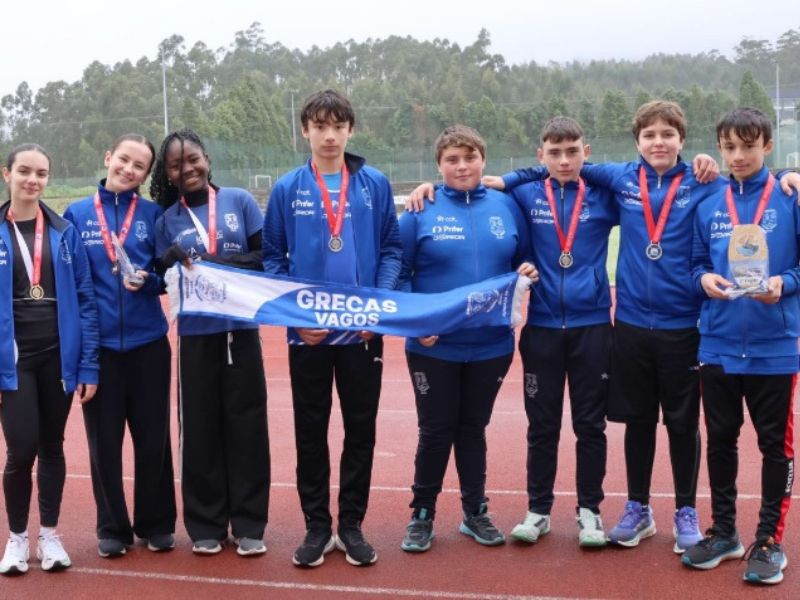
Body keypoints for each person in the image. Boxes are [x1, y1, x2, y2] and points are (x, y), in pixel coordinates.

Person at [474, 101, 800, 554]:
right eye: (649, 135)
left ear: (682, 141)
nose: (658, 142)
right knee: (638, 421)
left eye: (668, 134)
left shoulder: (704, 184)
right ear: (637, 142)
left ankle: (686, 511)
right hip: (628, 324)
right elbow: (559, 167)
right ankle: (637, 508)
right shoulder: (620, 178)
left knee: (684, 424)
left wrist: (788, 172)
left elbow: (748, 178)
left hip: (685, 325)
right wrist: (508, 179)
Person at [262, 89, 402, 567]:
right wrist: (299, 319)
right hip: (310, 336)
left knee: (360, 430)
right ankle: (317, 528)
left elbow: (391, 251)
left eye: (337, 126)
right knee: (311, 432)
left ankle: (352, 526)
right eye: (319, 126)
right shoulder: (286, 188)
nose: (329, 135)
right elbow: (273, 260)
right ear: (305, 131)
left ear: (350, 130)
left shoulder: (374, 184)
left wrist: (375, 310)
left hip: (362, 335)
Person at [397, 125, 536, 554]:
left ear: (483, 159)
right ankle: (422, 514)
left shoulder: (506, 204)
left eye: (470, 156)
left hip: (491, 345)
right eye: (452, 159)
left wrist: (527, 272)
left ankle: (475, 511)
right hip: (433, 346)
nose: (462, 166)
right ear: (438, 166)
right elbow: (398, 275)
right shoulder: (421, 208)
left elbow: (523, 259)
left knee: (473, 429)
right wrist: (417, 323)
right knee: (436, 430)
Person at [683, 107, 798, 585]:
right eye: (729, 147)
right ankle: (725, 531)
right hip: (719, 345)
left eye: (748, 147)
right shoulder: (708, 203)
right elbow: (692, 263)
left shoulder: (791, 197)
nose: (738, 156)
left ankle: (770, 539)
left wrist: (783, 284)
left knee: (775, 446)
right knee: (721, 443)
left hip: (775, 346)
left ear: (767, 147)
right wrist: (703, 278)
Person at [151, 128, 269, 557]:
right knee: (199, 430)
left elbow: (265, 259)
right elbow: (164, 282)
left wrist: (218, 263)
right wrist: (163, 265)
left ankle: (250, 522)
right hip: (196, 337)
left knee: (248, 427)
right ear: (168, 173)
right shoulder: (167, 220)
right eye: (177, 164)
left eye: (194, 159)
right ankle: (206, 523)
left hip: (241, 332)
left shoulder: (238, 201)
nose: (188, 169)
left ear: (208, 158)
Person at [501, 117, 616, 548]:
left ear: (587, 152)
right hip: (543, 327)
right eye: (554, 152)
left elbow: (651, 185)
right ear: (540, 156)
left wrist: (784, 174)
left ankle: (590, 512)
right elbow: (468, 191)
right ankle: (538, 510)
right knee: (542, 426)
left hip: (592, 328)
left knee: (591, 426)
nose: (564, 160)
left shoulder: (605, 195)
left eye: (573, 151)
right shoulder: (523, 194)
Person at [63, 134, 176, 558]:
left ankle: (157, 523)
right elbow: (70, 285)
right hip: (100, 350)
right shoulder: (75, 214)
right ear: (108, 157)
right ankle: (112, 526)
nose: (128, 169)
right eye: (124, 159)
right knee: (104, 444)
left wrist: (151, 282)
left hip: (148, 344)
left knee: (153, 440)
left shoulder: (154, 215)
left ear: (147, 176)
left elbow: (171, 276)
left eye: (139, 166)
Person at [0, 144, 99, 575]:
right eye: (24, 171)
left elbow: (85, 298)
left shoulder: (64, 232)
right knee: (21, 450)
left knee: (53, 446)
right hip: (13, 362)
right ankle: (18, 539)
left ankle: (51, 537)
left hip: (58, 358)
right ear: (7, 174)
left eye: (41, 173)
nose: (32, 180)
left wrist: (89, 364)